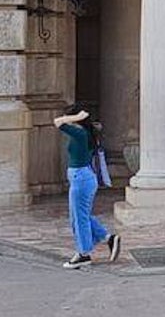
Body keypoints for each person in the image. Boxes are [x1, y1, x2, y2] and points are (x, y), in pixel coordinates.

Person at [54, 103, 121, 269]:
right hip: (82, 177)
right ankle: (108, 238)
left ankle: (83, 254)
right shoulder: (85, 133)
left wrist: (77, 117)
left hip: (81, 178)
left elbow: (58, 122)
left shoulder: (79, 133)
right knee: (80, 215)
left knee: (80, 218)